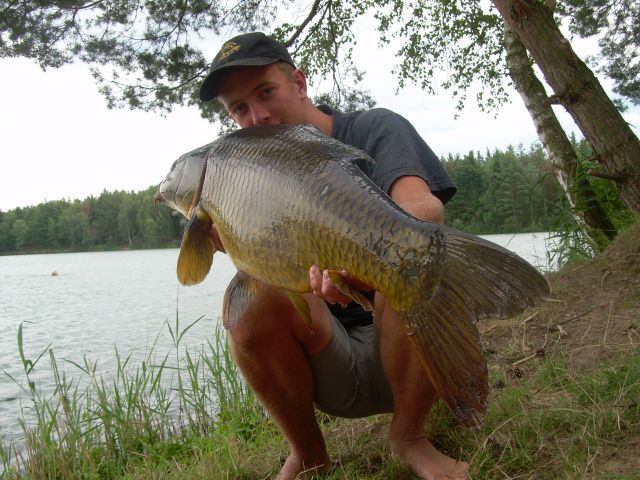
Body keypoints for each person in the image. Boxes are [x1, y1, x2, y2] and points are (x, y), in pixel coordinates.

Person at [198, 31, 468, 480]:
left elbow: (423, 209)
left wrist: (365, 267)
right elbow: (280, 286)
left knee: (417, 264)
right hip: (328, 361)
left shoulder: (374, 128)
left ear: (299, 83)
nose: (257, 116)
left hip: (413, 350)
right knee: (246, 300)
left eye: (266, 92)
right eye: (239, 108)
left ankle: (410, 437)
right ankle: (308, 453)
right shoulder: (248, 179)